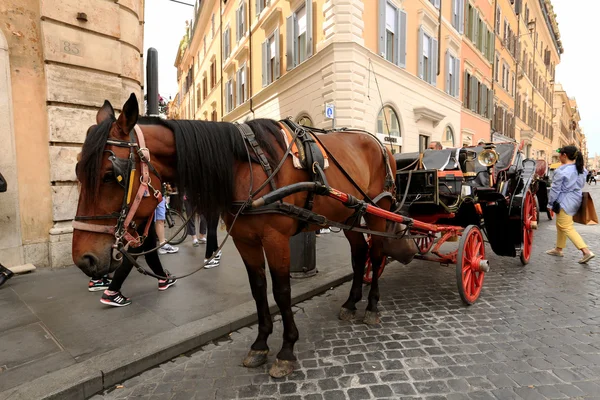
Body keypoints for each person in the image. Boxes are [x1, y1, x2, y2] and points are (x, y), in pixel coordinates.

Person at [100, 221, 177, 307]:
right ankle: (112, 291)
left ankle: (162, 278)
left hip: (144, 221)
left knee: (150, 249)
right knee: (133, 254)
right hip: (141, 220)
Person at [545, 145, 595, 264]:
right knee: (561, 224)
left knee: (566, 226)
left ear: (564, 155)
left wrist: (550, 203)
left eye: (559, 155)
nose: (559, 158)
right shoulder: (582, 169)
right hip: (576, 198)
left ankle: (586, 251)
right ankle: (558, 248)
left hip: (564, 200)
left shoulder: (561, 170)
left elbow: (555, 189)